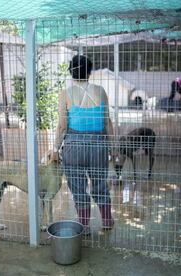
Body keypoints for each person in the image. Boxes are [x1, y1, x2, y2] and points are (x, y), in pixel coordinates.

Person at [51, 55, 114, 234]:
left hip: (74, 146)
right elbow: (107, 121)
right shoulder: (100, 91)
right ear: (90, 71)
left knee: (78, 186)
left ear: (71, 72)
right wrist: (114, 147)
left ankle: (84, 226)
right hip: (98, 145)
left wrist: (55, 149)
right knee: (100, 183)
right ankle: (107, 220)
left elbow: (63, 125)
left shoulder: (66, 93)